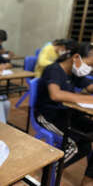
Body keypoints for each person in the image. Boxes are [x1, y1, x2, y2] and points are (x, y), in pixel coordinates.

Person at [36, 42, 93, 186]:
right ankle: (50, 171)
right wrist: (87, 98)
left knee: (86, 141)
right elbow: (55, 95)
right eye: (90, 64)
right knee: (77, 146)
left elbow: (90, 87)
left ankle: (89, 178)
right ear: (76, 57)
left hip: (68, 114)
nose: (90, 69)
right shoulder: (54, 69)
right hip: (48, 115)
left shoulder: (75, 72)